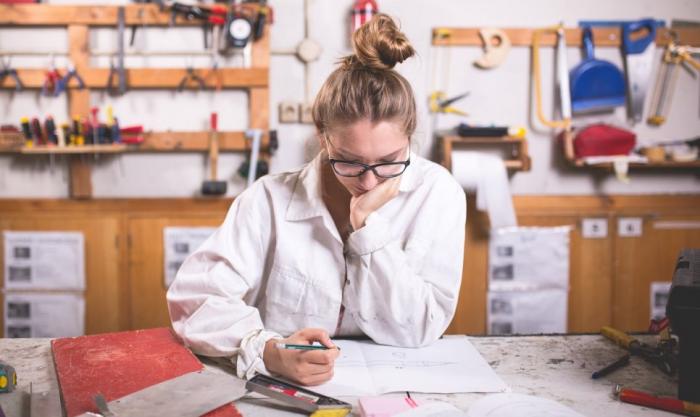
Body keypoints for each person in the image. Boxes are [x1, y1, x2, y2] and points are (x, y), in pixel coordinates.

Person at [167, 13, 466, 387]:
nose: (370, 181)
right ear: (323, 138)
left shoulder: (438, 194)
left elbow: (421, 327)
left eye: (389, 162)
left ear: (409, 138)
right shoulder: (267, 200)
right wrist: (266, 350)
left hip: (401, 391)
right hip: (285, 390)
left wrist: (367, 229)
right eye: (350, 162)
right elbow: (195, 300)